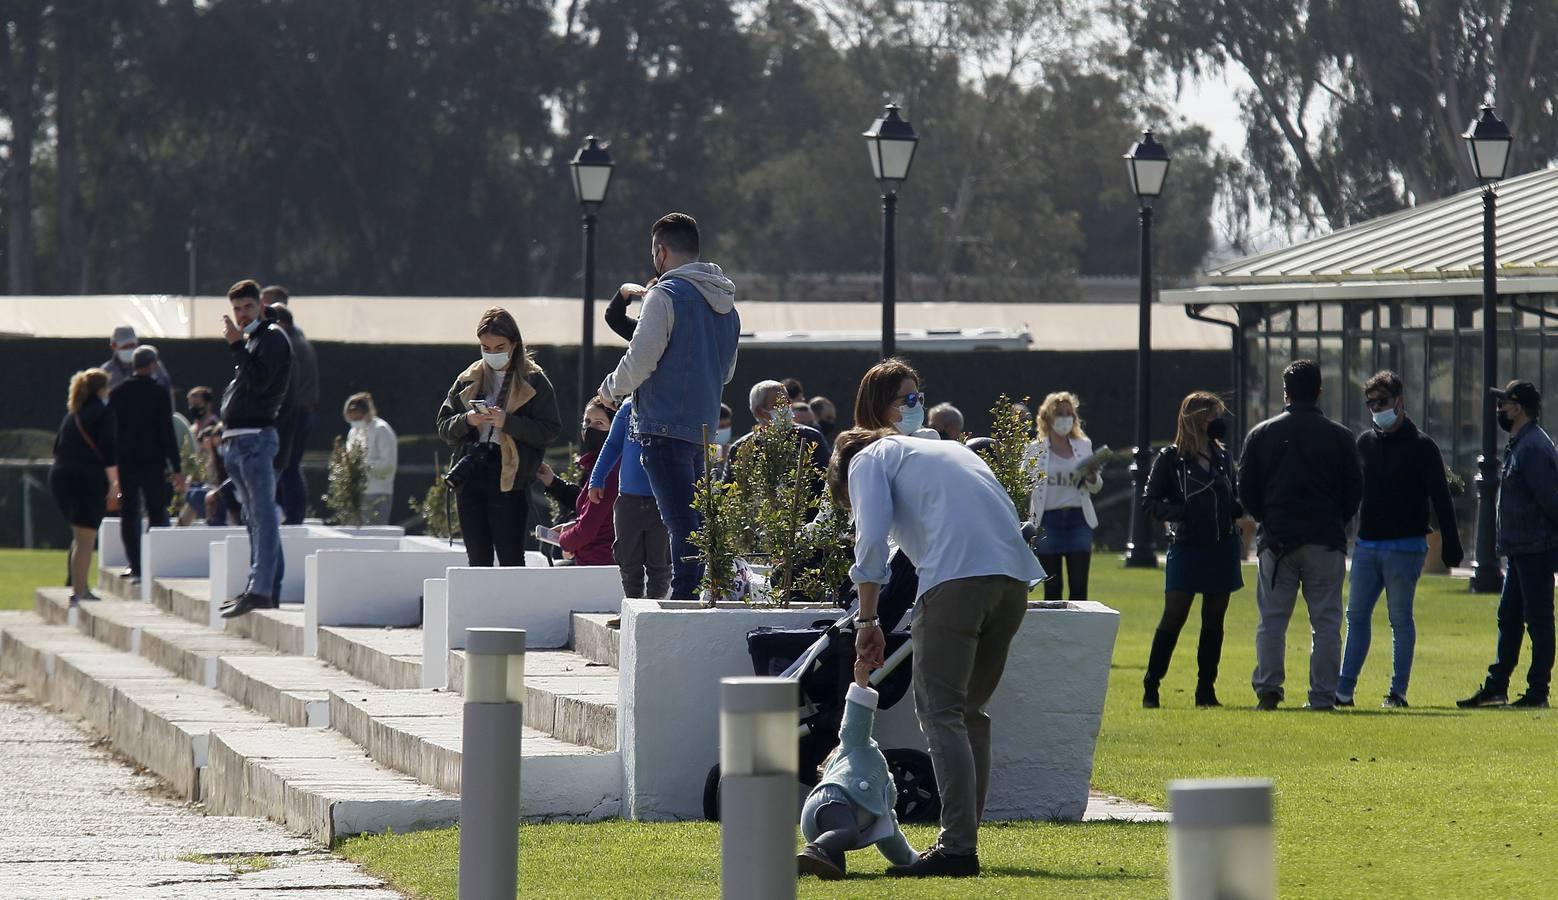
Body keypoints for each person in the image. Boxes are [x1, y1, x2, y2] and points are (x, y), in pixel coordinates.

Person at [836, 419, 1045, 878]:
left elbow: (870, 542)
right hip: (1013, 583)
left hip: (955, 581)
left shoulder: (867, 458)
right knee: (969, 712)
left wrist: (867, 622)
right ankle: (963, 839)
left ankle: (956, 849)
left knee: (941, 713)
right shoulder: (950, 451)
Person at [596, 213, 740, 600]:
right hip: (703, 427)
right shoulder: (728, 304)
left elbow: (640, 362)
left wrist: (608, 391)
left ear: (660, 252)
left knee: (680, 523)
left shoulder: (665, 294)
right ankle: (696, 594)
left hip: (661, 426)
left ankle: (683, 600)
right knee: (694, 521)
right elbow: (726, 373)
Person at [1238, 359, 1362, 710]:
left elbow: (1245, 488)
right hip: (1325, 538)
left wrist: (1268, 517)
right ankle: (1322, 694)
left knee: (1272, 620)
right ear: (1320, 390)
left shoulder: (1261, 434)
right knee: (1325, 622)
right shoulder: (1340, 436)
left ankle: (1269, 689)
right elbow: (1354, 489)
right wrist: (1337, 519)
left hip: (1277, 539)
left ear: (1285, 392)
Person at [1337, 371, 1463, 709]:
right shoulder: (1364, 442)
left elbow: (1441, 498)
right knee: (1357, 617)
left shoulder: (1423, 446)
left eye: (1383, 401)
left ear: (1399, 401)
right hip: (1366, 545)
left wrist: (1451, 541)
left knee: (1400, 619)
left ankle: (1397, 691)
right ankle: (1343, 690)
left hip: (1405, 546)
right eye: (1371, 403)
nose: (1377, 408)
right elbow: (1351, 493)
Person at [1459, 381, 1558, 709]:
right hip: (1521, 549)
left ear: (1519, 407)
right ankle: (1497, 687)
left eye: (1504, 403)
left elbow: (1551, 501)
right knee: (1510, 616)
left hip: (1535, 548)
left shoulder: (1532, 448)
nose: (1499, 410)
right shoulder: (1523, 444)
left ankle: (1537, 692)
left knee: (1538, 619)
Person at [1141, 392, 1244, 709]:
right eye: (1213, 415)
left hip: (1222, 545)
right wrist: (1184, 512)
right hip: (1187, 546)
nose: (1218, 422)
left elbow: (1234, 496)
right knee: (1174, 616)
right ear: (1197, 418)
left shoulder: (1224, 457)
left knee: (1214, 620)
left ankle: (1205, 689)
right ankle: (1152, 685)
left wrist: (1238, 509)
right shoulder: (1171, 459)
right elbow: (1150, 503)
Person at [438, 307, 561, 567]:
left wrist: (508, 422)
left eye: (499, 347)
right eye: (486, 347)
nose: (492, 353)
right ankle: (479, 608)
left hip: (509, 474)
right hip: (470, 468)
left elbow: (549, 430)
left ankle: (514, 608)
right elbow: (443, 426)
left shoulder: (534, 380)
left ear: (514, 344)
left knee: (511, 557)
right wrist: (467, 420)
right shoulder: (467, 378)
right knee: (477, 558)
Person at [796, 657, 918, 880]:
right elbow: (855, 722)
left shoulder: (883, 807)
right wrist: (861, 685)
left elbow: (893, 841)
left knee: (837, 870)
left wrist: (915, 862)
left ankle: (810, 862)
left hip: (821, 821)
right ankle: (814, 850)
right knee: (848, 833)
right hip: (833, 800)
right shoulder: (858, 748)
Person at [217, 280, 293, 618]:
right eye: (236, 309)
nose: (241, 315)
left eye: (247, 307)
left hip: (254, 440)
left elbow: (260, 382)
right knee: (253, 518)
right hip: (238, 441)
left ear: (261, 305)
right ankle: (262, 587)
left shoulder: (273, 338)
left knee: (263, 517)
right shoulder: (256, 339)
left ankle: (260, 590)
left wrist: (236, 347)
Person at [109, 345, 184, 581]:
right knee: (156, 511)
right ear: (152, 365)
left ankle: (135, 564)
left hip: (126, 462)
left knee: (129, 513)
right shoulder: (160, 392)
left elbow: (113, 432)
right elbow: (167, 433)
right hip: (153, 461)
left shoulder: (118, 392)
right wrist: (177, 468)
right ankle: (156, 563)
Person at [589, 397, 670, 598]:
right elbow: (612, 445)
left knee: (659, 561)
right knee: (627, 557)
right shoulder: (627, 408)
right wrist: (596, 479)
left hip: (663, 498)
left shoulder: (673, 404)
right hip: (628, 498)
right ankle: (632, 606)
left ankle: (654, 609)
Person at [1026, 392, 1102, 602]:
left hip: (1078, 518)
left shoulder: (1083, 445)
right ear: (1048, 417)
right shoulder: (1035, 450)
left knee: (1079, 586)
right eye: (1059, 413)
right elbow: (1025, 486)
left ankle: (1080, 633)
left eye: (1069, 414)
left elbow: (1095, 487)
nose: (1065, 418)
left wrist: (1093, 475)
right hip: (1047, 521)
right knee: (1053, 586)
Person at [49, 368, 118, 603]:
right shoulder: (103, 412)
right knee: (86, 537)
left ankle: (77, 586)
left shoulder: (73, 414)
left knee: (79, 535)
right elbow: (108, 451)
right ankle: (80, 590)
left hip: (61, 476)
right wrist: (114, 484)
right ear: (101, 390)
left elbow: (57, 447)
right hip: (86, 479)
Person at [539, 399, 619, 566]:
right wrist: (554, 483)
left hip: (599, 562)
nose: (590, 429)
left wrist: (565, 540)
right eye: (587, 422)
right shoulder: (600, 466)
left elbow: (587, 531)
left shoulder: (608, 471)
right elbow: (598, 515)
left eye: (599, 423)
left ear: (615, 429)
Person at [726, 380, 830, 503]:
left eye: (787, 403)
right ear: (760, 412)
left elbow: (829, 481)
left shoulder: (810, 439)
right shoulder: (741, 448)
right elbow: (729, 493)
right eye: (778, 405)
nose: (785, 408)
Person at [266, 300, 319, 525]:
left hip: (293, 412)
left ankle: (293, 515)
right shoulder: (300, 340)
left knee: (286, 464)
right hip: (302, 410)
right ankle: (293, 514)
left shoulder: (289, 344)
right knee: (290, 465)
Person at [344, 392, 398, 526]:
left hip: (378, 492)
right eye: (352, 418)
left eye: (358, 416)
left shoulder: (381, 429)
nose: (355, 421)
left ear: (367, 413)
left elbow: (388, 464)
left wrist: (361, 466)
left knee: (376, 533)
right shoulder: (353, 432)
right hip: (356, 492)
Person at [852, 358, 936, 439]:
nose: (917, 406)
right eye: (910, 399)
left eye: (919, 398)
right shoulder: (855, 451)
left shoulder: (926, 443)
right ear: (879, 407)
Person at [101, 325, 172, 395]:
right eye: (125, 347)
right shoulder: (106, 371)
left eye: (132, 345)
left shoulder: (153, 365)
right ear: (114, 346)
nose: (129, 349)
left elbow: (165, 389)